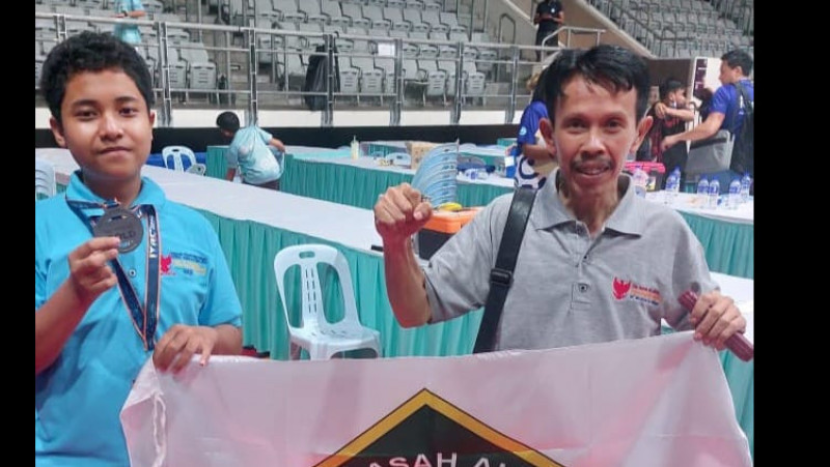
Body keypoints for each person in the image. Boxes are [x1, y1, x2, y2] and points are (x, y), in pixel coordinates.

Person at [373, 45, 746, 354]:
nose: (593, 145)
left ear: (639, 133)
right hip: (512, 440)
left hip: (615, 443)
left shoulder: (666, 235)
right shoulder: (507, 222)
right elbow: (414, 310)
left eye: (613, 125)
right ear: (550, 136)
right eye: (576, 125)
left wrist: (721, 317)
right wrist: (395, 244)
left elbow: (706, 328)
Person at [35, 32, 243, 466]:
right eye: (87, 114)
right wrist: (74, 295)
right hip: (69, 457)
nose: (111, 129)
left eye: (126, 111)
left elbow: (230, 334)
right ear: (58, 130)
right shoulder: (41, 228)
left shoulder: (196, 229)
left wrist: (206, 337)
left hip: (181, 454)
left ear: (150, 119)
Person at [661, 50, 754, 188]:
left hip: (723, 165)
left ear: (737, 70)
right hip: (748, 170)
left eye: (723, 72)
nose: (720, 77)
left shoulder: (725, 92)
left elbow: (709, 128)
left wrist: (676, 138)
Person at [643, 78, 695, 188]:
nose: (685, 98)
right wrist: (658, 106)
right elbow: (655, 111)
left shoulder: (679, 110)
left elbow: (690, 116)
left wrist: (669, 110)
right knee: (654, 192)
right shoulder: (657, 109)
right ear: (671, 96)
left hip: (678, 162)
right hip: (658, 162)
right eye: (682, 94)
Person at [510, 71, 558, 189]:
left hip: (554, 176)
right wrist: (559, 154)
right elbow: (527, 148)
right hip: (533, 177)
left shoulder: (560, 110)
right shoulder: (535, 110)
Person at [216, 111, 286, 190]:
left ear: (225, 132)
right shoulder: (253, 130)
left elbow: (231, 174)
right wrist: (282, 152)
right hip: (273, 173)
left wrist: (224, 190)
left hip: (255, 178)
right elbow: (279, 144)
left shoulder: (233, 148)